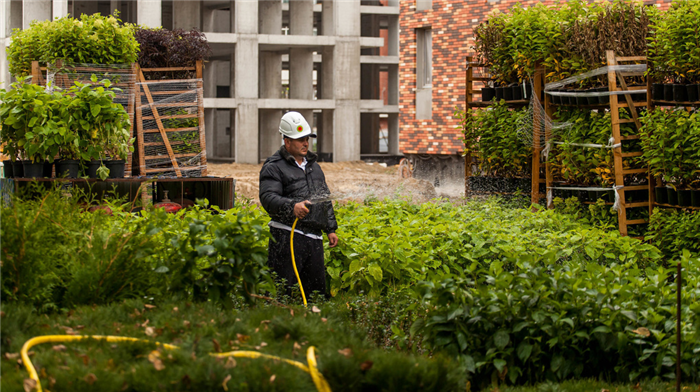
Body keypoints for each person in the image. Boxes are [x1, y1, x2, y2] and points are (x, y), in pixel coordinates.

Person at [259, 111, 339, 298]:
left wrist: (330, 228)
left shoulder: (314, 166)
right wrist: (292, 206)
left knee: (315, 293)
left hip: (314, 239)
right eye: (300, 139)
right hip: (287, 237)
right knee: (285, 291)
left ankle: (314, 322)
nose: (305, 143)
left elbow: (324, 198)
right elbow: (267, 197)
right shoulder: (274, 166)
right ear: (287, 142)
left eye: (307, 139)